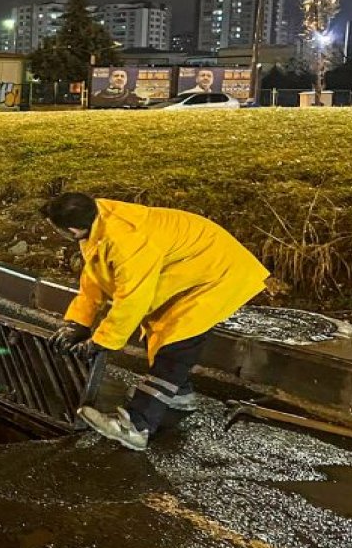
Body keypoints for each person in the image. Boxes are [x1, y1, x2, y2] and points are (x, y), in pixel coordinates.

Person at [41, 193, 269, 451]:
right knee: (160, 330)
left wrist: (103, 340)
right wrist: (78, 321)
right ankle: (179, 396)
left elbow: (132, 299)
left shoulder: (127, 240)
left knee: (176, 343)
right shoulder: (98, 221)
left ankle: (137, 426)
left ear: (71, 230)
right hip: (192, 268)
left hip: (217, 275)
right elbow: (97, 277)